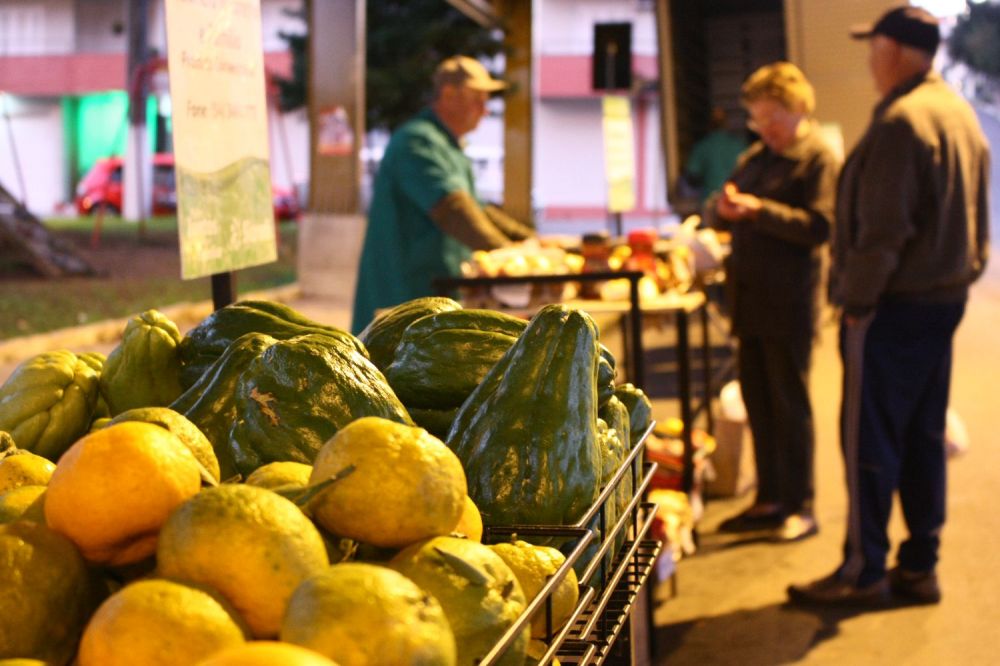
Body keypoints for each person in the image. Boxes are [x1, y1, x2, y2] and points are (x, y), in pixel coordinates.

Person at [788, 6, 989, 606]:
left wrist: (855, 302)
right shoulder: (957, 113)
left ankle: (863, 569)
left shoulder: (903, 121)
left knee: (868, 437)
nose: (869, 58)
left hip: (893, 306)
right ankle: (919, 564)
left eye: (873, 46)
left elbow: (883, 232)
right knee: (924, 433)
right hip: (942, 301)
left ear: (898, 49)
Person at [709, 62, 840, 542]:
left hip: (790, 305)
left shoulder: (817, 160)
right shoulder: (755, 159)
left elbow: (820, 227)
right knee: (759, 403)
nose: (767, 130)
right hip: (749, 304)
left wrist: (760, 210)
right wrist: (722, 208)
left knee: (791, 407)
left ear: (799, 109)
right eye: (759, 121)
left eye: (774, 120)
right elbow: (717, 210)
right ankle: (767, 498)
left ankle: (800, 505)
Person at [351, 56, 534, 334]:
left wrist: (528, 241)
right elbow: (455, 210)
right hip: (405, 297)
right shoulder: (417, 141)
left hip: (433, 295)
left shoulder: (448, 146)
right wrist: (509, 258)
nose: (485, 111)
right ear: (449, 95)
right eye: (478, 100)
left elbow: (478, 208)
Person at [682, 107, 748, 205]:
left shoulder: (703, 146)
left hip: (711, 202)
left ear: (709, 124)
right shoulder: (739, 145)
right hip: (737, 201)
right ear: (726, 123)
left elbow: (692, 176)